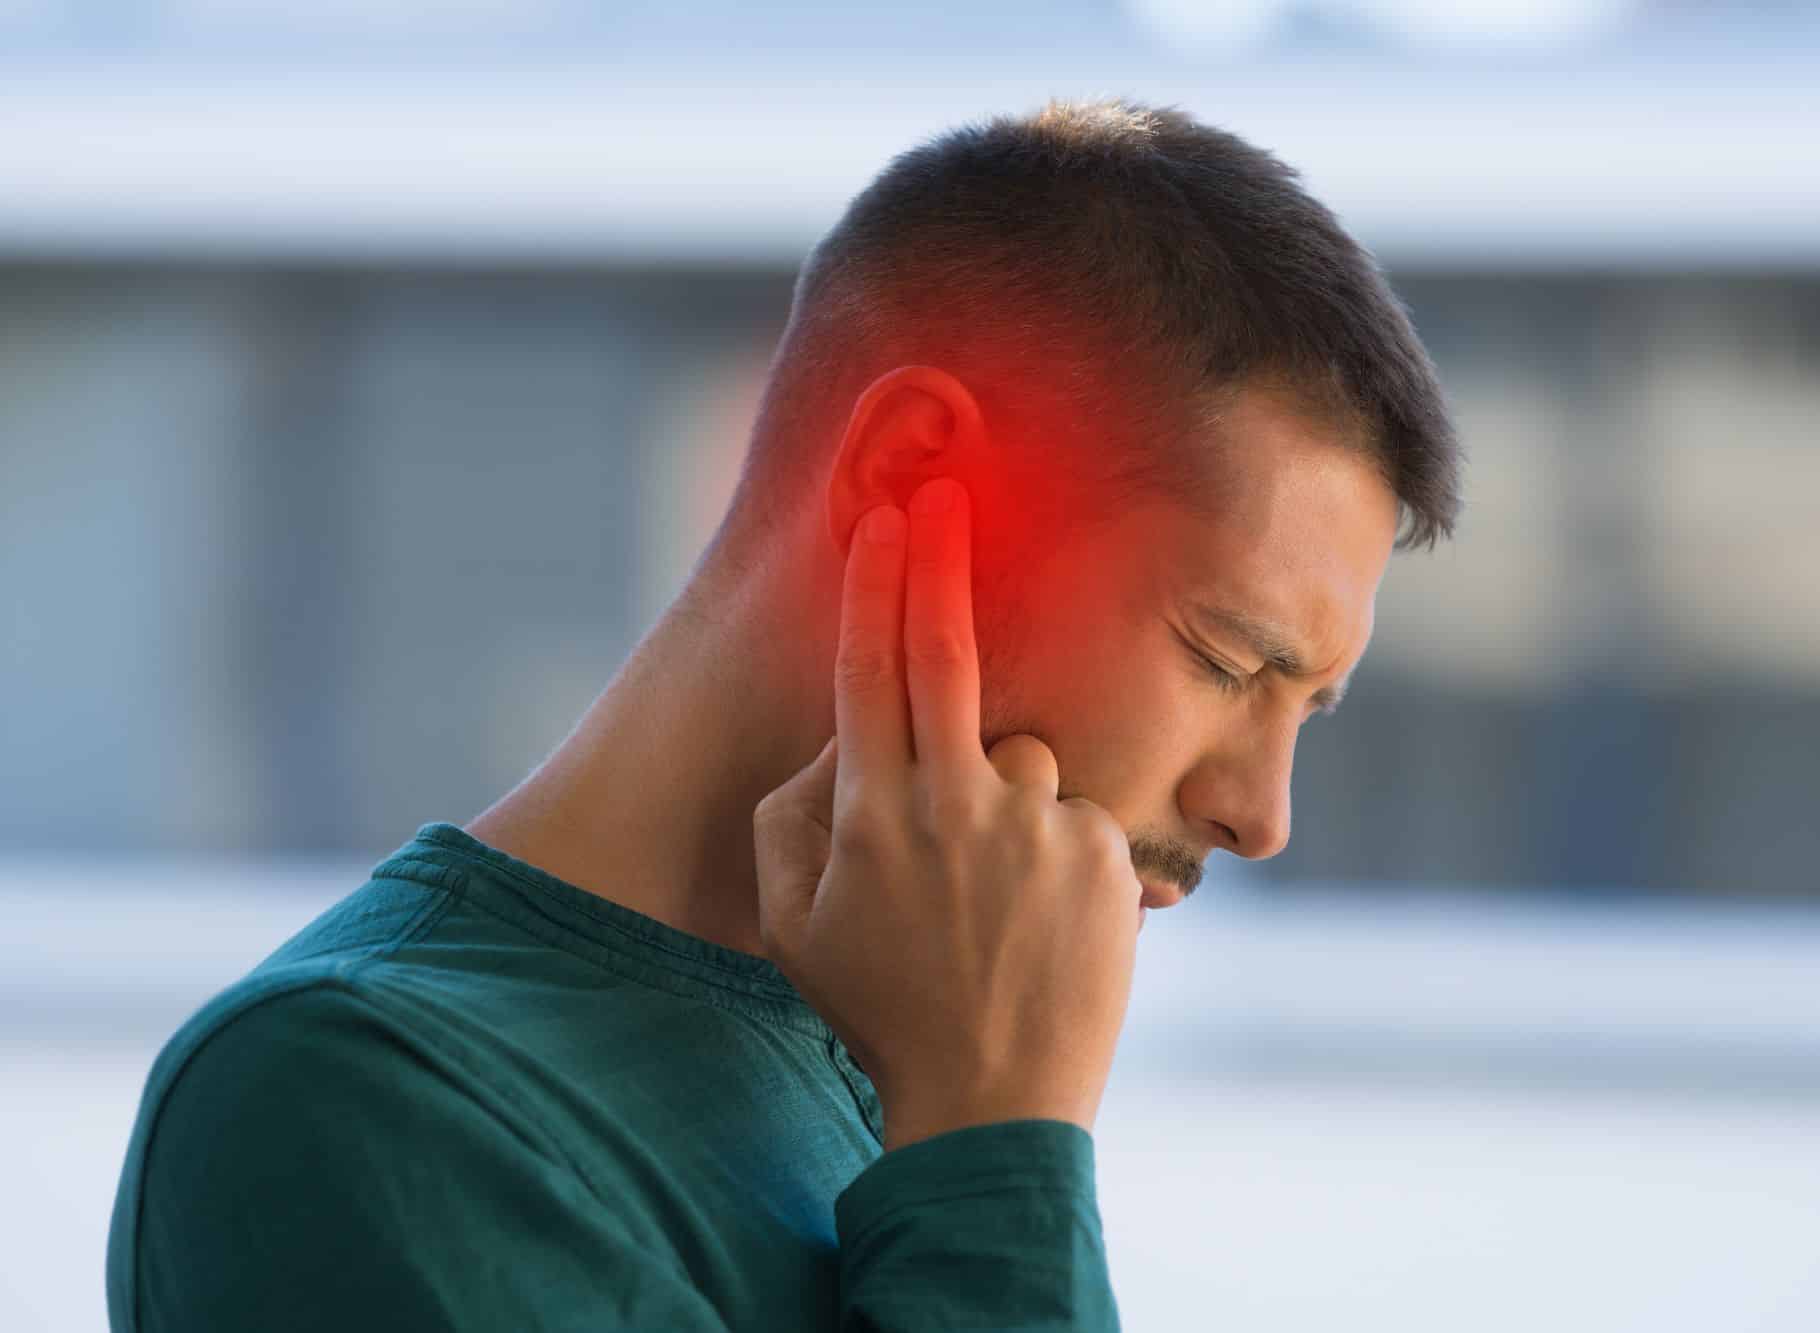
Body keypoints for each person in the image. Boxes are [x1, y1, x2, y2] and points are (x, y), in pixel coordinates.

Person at [107, 96, 1461, 1331]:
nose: (1263, 815)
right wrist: (996, 1156)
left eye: (1311, 710)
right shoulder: (354, 1103)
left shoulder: (914, 1042)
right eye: (1226, 661)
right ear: (915, 471)